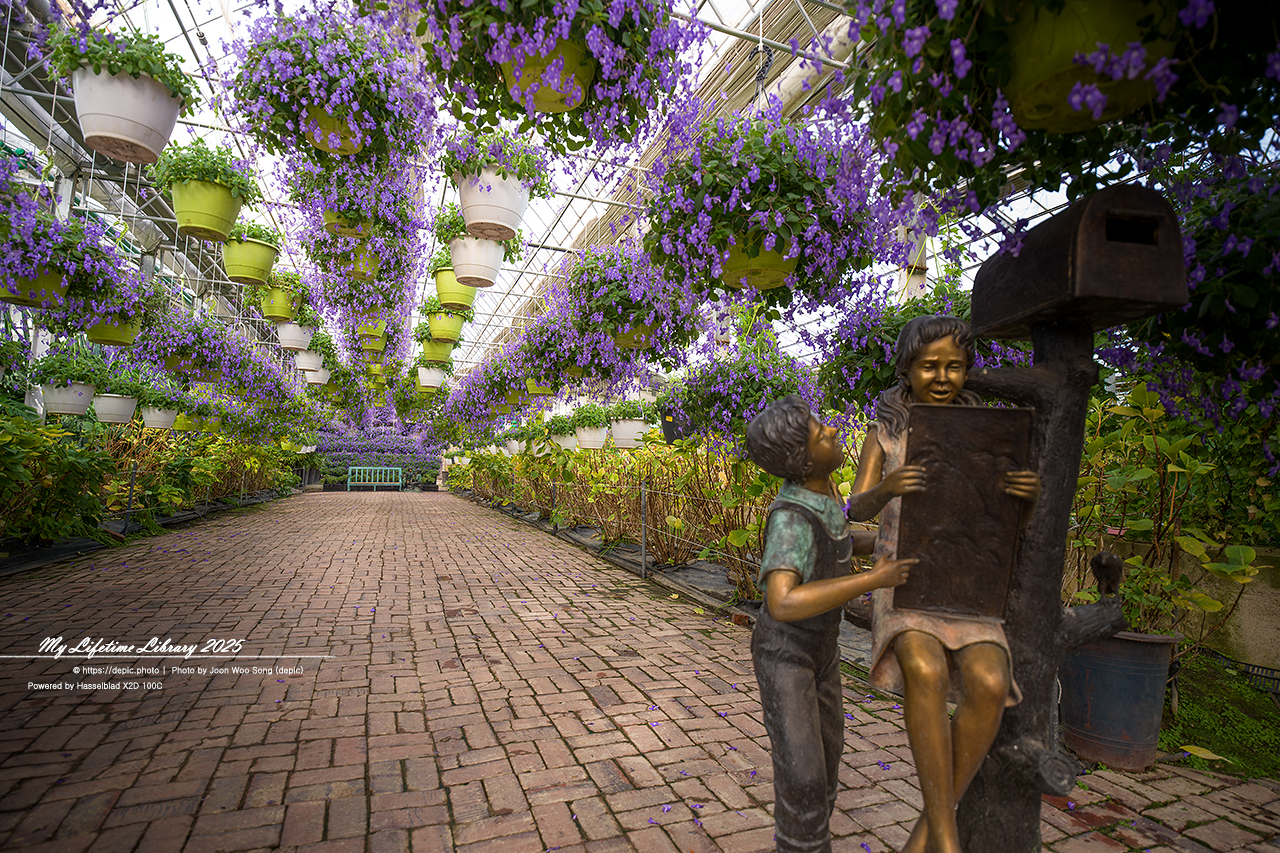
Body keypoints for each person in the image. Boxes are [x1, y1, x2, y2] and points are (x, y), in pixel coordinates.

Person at [845, 315, 1040, 853]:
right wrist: (887, 487)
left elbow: (1006, 526)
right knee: (926, 669)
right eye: (929, 366)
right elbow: (854, 508)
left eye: (954, 366)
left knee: (991, 682)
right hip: (906, 576)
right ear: (907, 368)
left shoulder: (989, 432)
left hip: (970, 582)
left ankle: (928, 834)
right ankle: (947, 837)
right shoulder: (886, 430)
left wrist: (1026, 498)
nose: (942, 376)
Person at [745, 394, 916, 853]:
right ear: (802, 459)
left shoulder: (823, 496)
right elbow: (783, 601)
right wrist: (873, 580)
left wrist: (881, 539)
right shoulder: (790, 518)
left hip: (822, 648)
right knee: (802, 772)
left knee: (826, 758)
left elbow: (837, 536)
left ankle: (810, 841)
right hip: (787, 654)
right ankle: (801, 842)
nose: (833, 430)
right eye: (821, 433)